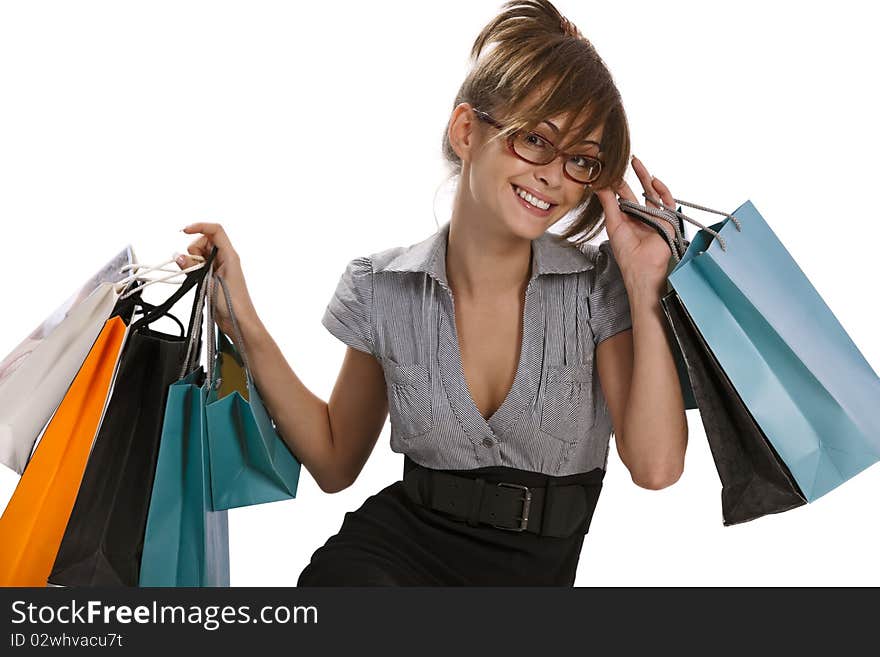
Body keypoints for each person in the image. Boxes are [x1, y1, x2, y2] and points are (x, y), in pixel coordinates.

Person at [177, 0, 688, 586]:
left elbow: (656, 467)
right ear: (467, 130)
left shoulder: (599, 289)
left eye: (580, 160)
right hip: (389, 564)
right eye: (535, 140)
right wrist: (239, 313)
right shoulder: (381, 287)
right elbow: (335, 457)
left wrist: (646, 283)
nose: (553, 175)